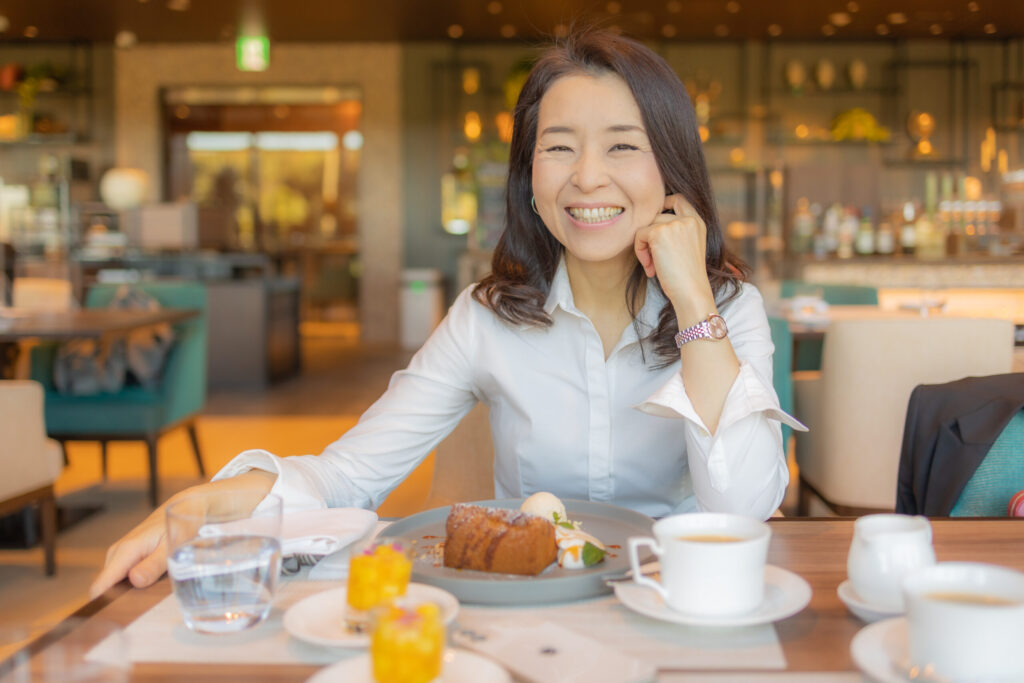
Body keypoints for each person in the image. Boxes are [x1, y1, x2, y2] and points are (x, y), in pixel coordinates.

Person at [90, 28, 803, 599]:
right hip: (520, 607)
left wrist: (692, 301)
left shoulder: (726, 307)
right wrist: (211, 502)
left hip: (678, 602)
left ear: (671, 170)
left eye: (623, 145)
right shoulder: (486, 318)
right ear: (530, 179)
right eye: (559, 148)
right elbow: (346, 478)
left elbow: (742, 506)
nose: (588, 176)